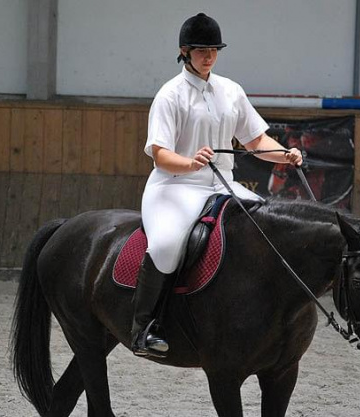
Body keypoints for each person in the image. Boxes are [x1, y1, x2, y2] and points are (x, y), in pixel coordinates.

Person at [131, 12, 303, 358]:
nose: (208, 56)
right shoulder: (170, 95)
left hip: (222, 185)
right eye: (200, 50)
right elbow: (160, 155)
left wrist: (285, 154)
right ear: (184, 51)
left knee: (265, 227)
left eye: (213, 49)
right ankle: (142, 327)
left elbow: (256, 140)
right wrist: (190, 161)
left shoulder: (231, 91)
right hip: (174, 186)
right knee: (165, 245)